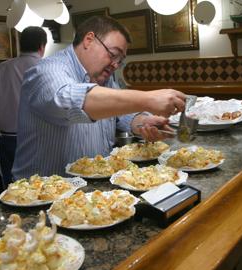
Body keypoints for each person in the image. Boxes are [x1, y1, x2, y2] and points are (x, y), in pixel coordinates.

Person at [12, 16, 186, 179]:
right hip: (40, 194)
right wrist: (148, 99)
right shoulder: (47, 70)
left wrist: (143, 123)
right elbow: (74, 100)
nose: (115, 65)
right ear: (89, 40)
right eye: (113, 54)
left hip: (94, 187)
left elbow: (123, 116)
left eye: (120, 60)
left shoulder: (105, 78)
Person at [0, 26, 48, 189]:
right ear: (42, 46)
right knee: (43, 187)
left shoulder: (1, 68)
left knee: (12, 189)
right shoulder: (48, 68)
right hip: (41, 138)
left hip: (8, 139)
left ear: (19, 45)